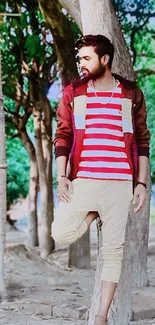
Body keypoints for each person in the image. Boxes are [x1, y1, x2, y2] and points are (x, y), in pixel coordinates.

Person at [52, 35, 150, 325]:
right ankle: (94, 212)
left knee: (113, 252)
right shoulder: (75, 93)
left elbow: (143, 141)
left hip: (120, 185)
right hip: (84, 180)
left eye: (86, 58)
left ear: (104, 59)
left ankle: (101, 316)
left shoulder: (130, 93)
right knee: (61, 233)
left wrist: (142, 184)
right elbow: (63, 135)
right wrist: (61, 176)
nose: (81, 64)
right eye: (79, 58)